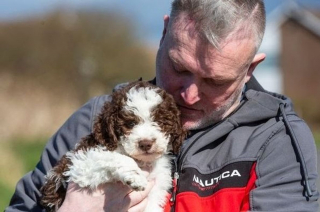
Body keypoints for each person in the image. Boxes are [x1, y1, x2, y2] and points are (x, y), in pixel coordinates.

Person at [5, 0, 319, 211]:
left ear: (250, 68)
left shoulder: (278, 143)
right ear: (164, 32)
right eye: (179, 68)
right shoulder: (94, 119)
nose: (189, 94)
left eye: (215, 81)